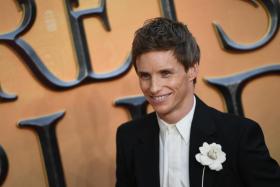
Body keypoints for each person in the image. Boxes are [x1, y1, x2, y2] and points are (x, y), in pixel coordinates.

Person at [115, 17, 280, 187]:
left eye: (165, 73)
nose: (154, 88)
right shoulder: (128, 137)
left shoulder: (240, 135)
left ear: (192, 69)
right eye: (145, 76)